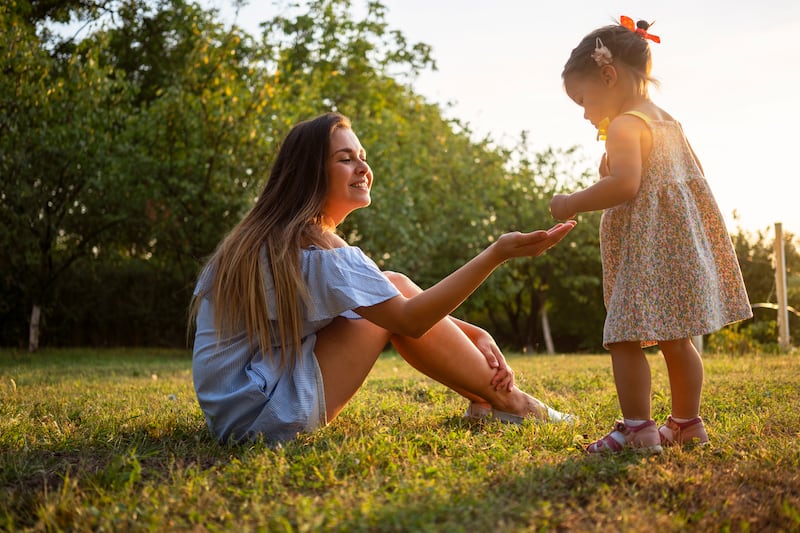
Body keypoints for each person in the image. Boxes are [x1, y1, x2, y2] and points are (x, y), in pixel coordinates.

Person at [190, 111, 577, 443]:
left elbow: (393, 305)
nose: (363, 168)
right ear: (310, 174)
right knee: (394, 288)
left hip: (240, 408)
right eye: (345, 159)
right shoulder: (310, 249)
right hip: (265, 413)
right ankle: (515, 403)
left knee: (393, 282)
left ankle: (488, 401)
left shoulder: (276, 238)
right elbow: (408, 319)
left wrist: (476, 333)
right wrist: (496, 254)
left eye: (362, 157)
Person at [550, 17, 752, 453]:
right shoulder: (669, 123)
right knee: (676, 338)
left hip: (647, 251)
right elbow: (688, 178)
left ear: (609, 75)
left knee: (622, 335)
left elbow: (625, 186)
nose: (584, 113)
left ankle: (637, 429)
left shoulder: (625, 125)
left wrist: (571, 201)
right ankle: (686, 424)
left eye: (584, 100)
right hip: (679, 247)